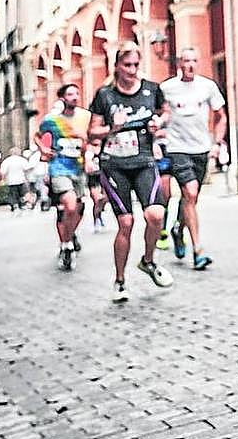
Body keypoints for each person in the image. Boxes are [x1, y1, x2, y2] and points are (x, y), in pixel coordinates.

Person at [88, 41, 174, 302]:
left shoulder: (152, 89)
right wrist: (112, 128)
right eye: (127, 65)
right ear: (117, 66)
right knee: (126, 223)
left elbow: (165, 113)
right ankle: (120, 281)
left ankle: (148, 261)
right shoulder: (105, 95)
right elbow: (92, 131)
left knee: (156, 215)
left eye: (136, 64)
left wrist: (159, 122)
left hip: (144, 160)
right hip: (114, 164)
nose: (133, 70)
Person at [159, 46, 227, 270]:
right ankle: (198, 250)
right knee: (190, 191)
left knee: (191, 199)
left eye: (194, 60)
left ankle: (179, 228)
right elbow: (159, 114)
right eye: (186, 60)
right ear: (179, 63)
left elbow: (220, 116)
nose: (190, 65)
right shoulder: (167, 88)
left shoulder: (207, 86)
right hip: (177, 147)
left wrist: (217, 143)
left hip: (201, 148)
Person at [38, 83, 91, 271]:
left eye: (77, 93)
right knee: (69, 204)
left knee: (79, 208)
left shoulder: (86, 117)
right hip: (59, 167)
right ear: (62, 98)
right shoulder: (52, 120)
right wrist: (43, 148)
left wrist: (89, 153)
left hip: (78, 168)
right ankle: (67, 244)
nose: (75, 97)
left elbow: (91, 139)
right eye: (70, 94)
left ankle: (68, 239)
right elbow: (38, 135)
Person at [84, 138, 108, 232]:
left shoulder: (104, 150)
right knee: (97, 200)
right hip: (93, 177)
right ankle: (96, 220)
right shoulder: (89, 154)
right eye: (94, 144)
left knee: (105, 199)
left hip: (103, 176)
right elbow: (87, 166)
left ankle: (99, 214)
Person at [0, 147, 30, 211]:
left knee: (13, 193)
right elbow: (27, 168)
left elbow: (2, 171)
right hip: (21, 179)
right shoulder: (22, 160)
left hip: (11, 181)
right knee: (22, 193)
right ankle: (22, 203)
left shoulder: (6, 160)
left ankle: (15, 204)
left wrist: (2, 179)